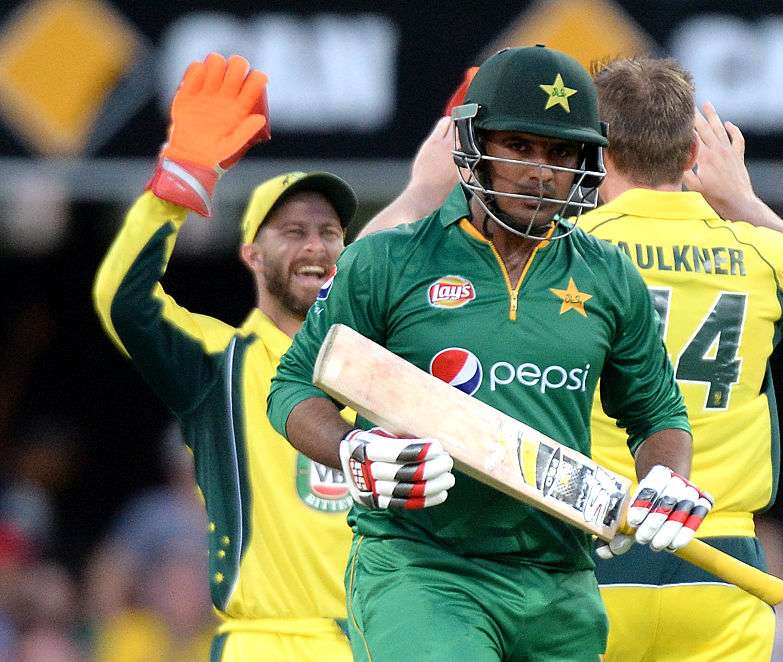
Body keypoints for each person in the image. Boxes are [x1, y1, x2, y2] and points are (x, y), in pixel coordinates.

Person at [267, 45, 713, 662]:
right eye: (519, 146)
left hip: (561, 581)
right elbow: (292, 387)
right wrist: (351, 448)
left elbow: (659, 414)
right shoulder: (389, 262)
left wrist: (666, 478)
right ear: (474, 142)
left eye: (561, 153)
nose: (541, 171)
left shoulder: (610, 276)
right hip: (424, 569)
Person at [579, 57, 783, 661]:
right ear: (693, 154)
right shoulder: (756, 249)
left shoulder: (568, 249)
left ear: (596, 152)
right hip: (720, 559)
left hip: (590, 545)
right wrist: (747, 203)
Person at [93, 52, 362, 661]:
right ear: (250, 255)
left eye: (329, 233)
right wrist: (182, 176)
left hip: (379, 641)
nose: (315, 246)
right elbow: (124, 300)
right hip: (266, 643)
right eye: (293, 232)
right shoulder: (220, 362)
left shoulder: (382, 364)